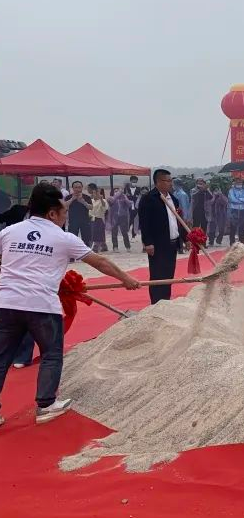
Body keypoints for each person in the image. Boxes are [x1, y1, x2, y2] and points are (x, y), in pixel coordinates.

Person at [0, 183, 140, 427]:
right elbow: (100, 262)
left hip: (6, 304)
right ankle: (45, 405)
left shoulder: (9, 232)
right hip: (41, 305)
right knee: (51, 354)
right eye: (63, 212)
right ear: (52, 213)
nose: (65, 217)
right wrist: (126, 279)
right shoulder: (63, 238)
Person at [139, 170, 188, 305]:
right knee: (157, 276)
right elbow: (144, 223)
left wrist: (186, 238)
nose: (170, 183)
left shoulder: (174, 199)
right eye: (167, 181)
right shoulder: (149, 198)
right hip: (157, 244)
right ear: (159, 181)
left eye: (171, 180)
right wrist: (148, 242)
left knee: (168, 275)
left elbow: (178, 221)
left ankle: (165, 302)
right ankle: (156, 304)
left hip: (172, 243)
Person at [108, 186, 133, 252]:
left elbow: (129, 204)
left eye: (118, 190)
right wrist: (118, 194)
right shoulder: (111, 198)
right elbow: (111, 201)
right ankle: (115, 247)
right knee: (114, 233)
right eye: (115, 191)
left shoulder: (123, 197)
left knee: (124, 232)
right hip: (114, 218)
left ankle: (128, 247)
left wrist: (125, 198)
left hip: (123, 217)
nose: (117, 192)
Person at [227, 178, 244, 245]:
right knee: (233, 227)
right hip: (234, 210)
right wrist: (242, 200)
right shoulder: (231, 191)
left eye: (240, 183)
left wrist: (239, 199)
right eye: (237, 183)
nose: (239, 184)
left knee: (242, 227)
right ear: (235, 183)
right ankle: (232, 243)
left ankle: (242, 243)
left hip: (243, 210)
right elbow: (232, 199)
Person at [87, 184, 109, 253]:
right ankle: (103, 246)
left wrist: (101, 199)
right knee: (92, 233)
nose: (95, 194)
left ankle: (96, 247)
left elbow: (104, 208)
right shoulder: (91, 201)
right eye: (94, 193)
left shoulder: (103, 201)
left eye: (97, 193)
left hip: (99, 219)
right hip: (91, 219)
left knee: (98, 233)